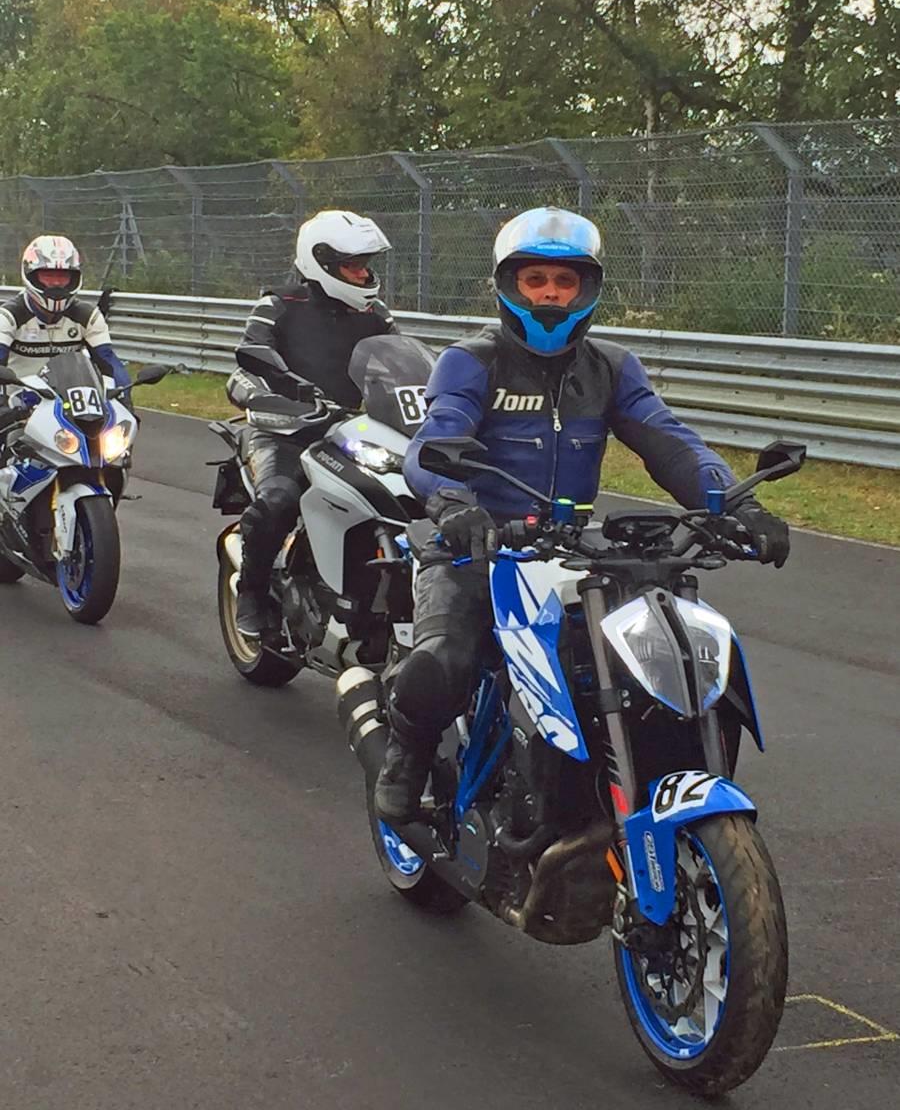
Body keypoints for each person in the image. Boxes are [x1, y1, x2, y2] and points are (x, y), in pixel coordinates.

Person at [374, 206, 790, 823]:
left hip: (572, 550)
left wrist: (738, 504)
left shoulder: (611, 367)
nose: (549, 294)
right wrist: (454, 504)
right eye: (535, 280)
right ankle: (404, 761)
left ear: (587, 289)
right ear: (508, 284)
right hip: (477, 545)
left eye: (564, 281)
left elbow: (670, 442)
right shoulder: (471, 361)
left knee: (669, 651)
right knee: (443, 662)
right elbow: (435, 440)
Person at [228, 209, 396, 638]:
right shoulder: (278, 306)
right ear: (321, 262)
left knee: (404, 499)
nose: (363, 275)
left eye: (365, 265)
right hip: (284, 432)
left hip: (348, 434)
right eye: (352, 266)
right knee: (278, 500)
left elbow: (399, 364)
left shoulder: (376, 315)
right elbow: (244, 369)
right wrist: (268, 397)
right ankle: (251, 592)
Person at [0, 235, 130, 398]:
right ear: (31, 275)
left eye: (62, 276)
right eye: (48, 275)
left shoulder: (88, 317)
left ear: (73, 278)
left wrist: (122, 397)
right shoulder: (8, 317)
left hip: (72, 404)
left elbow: (109, 362)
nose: (56, 283)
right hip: (17, 404)